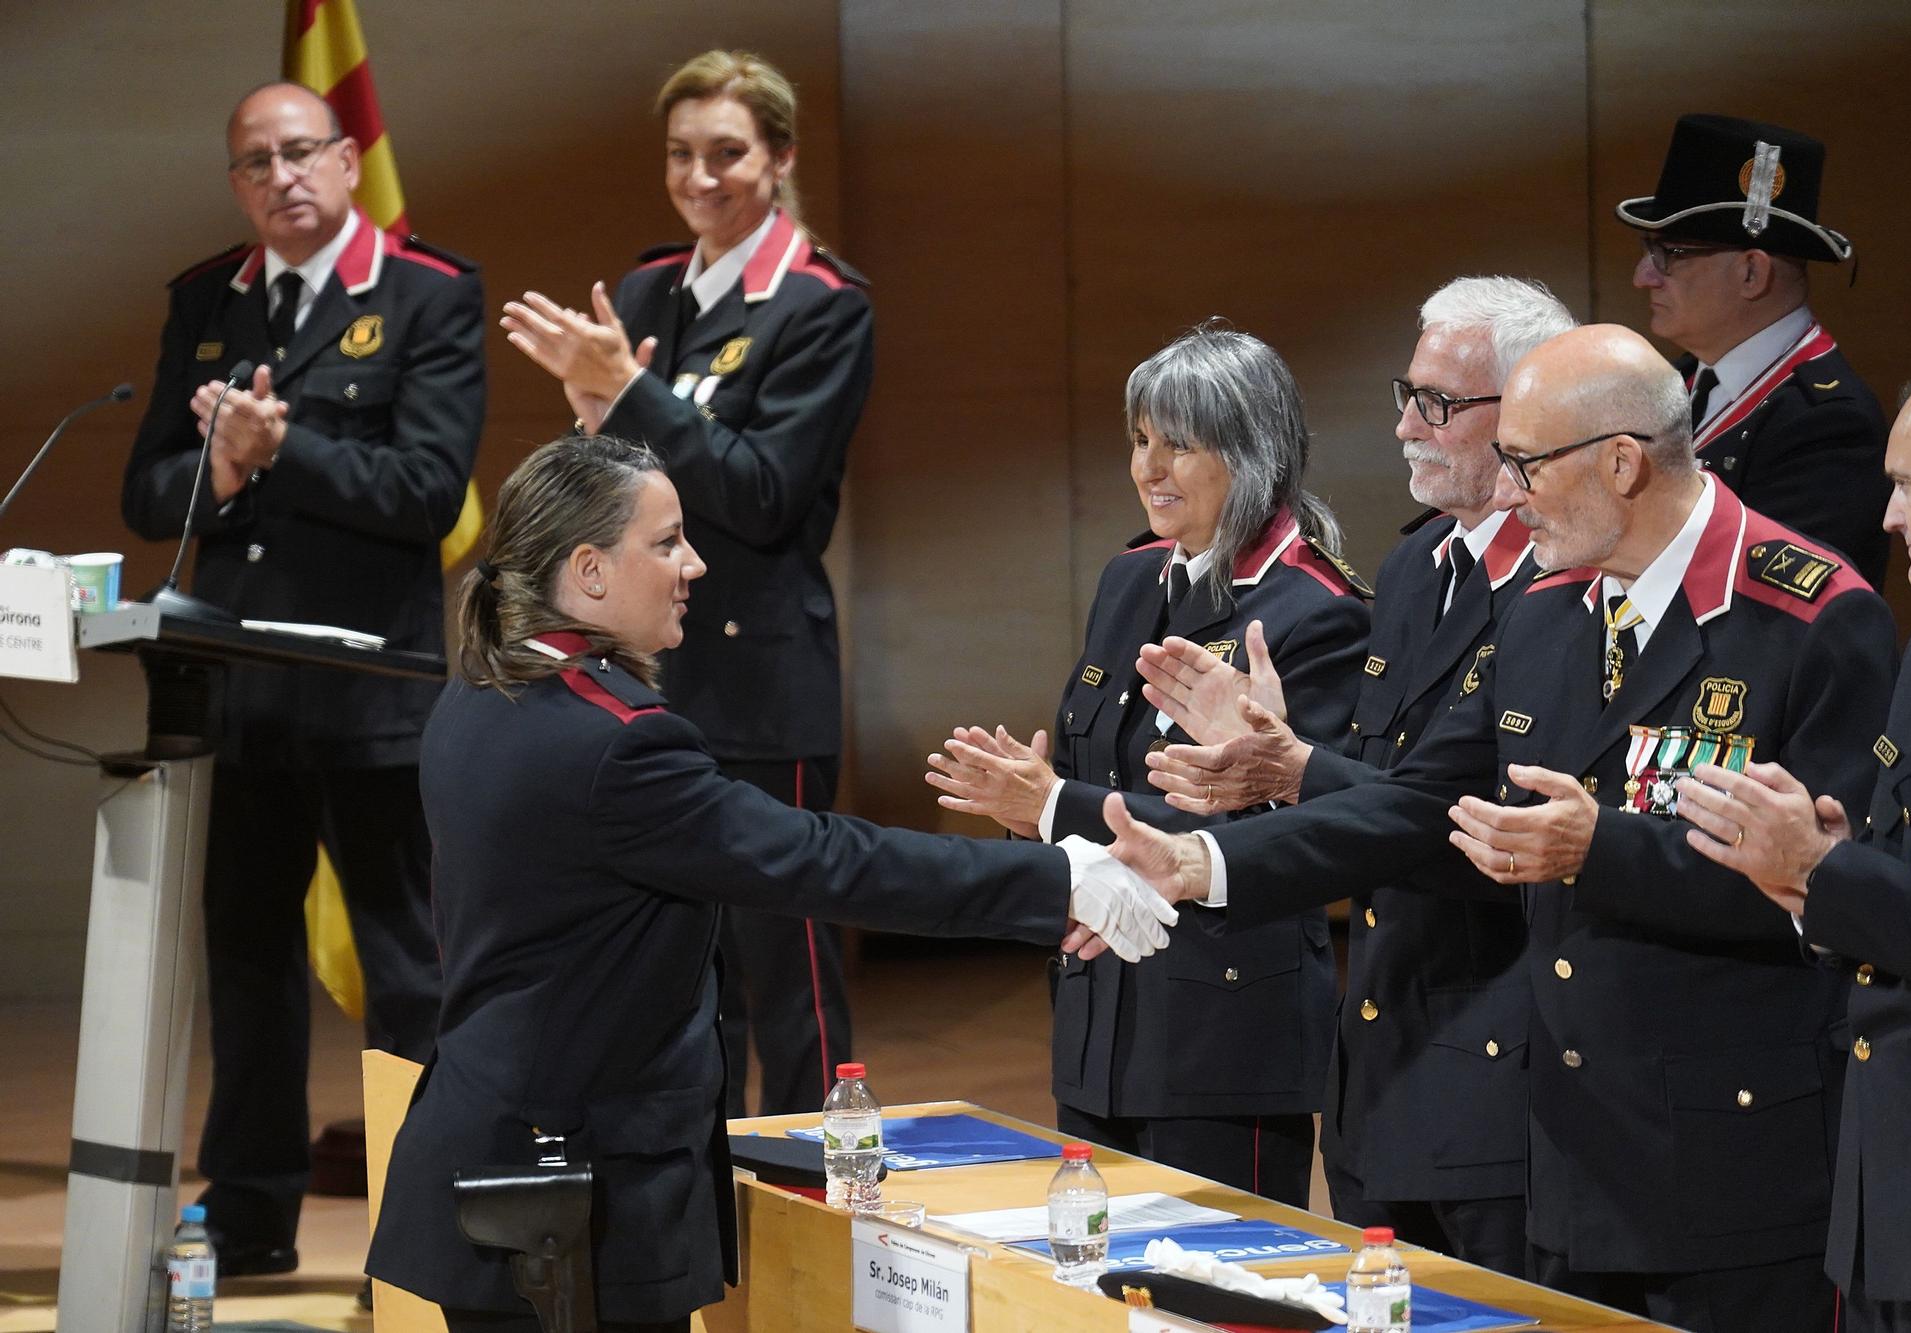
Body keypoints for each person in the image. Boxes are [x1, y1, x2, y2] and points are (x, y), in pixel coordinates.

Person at [1095, 325, 1899, 1333]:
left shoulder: (1808, 615)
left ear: (1619, 461)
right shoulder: (1543, 613)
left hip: (1735, 1161)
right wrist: (1203, 855)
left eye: (1524, 464)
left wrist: (1596, 847)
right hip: (1565, 1151)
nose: (1507, 494)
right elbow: (1424, 805)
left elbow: (1830, 897)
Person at [364, 434, 1175, 1333]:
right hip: (569, 1202)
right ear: (588, 570)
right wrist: (1057, 875)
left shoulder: (479, 692)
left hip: (492, 1162)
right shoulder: (614, 742)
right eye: (667, 542)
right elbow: (822, 857)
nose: (694, 564)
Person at [1136, 278, 1575, 1273]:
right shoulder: (1420, 566)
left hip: (1503, 1070)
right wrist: (1277, 757)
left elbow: (1453, 821)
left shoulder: (1559, 587)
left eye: (1435, 403)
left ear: (1529, 415)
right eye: (1404, 394)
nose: (1401, 427)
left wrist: (1283, 775)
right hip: (1384, 1062)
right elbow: (1372, 784)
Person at [120, 81, 484, 1276]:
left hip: (375, 695)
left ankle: (421, 1233)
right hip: (239, 696)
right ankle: (250, 1220)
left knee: (410, 980)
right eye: (255, 162)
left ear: (346, 160)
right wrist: (219, 473)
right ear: (237, 182)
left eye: (301, 153)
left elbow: (429, 492)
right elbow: (147, 494)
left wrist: (288, 451)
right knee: (247, 967)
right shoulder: (204, 300)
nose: (282, 177)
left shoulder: (429, 293)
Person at [499, 49, 869, 1118]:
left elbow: (760, 496)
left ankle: (817, 1195)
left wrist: (628, 391)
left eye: (727, 153)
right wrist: (592, 416)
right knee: (680, 965)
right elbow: (624, 487)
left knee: (787, 968)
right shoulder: (652, 285)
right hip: (646, 674)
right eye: (680, 154)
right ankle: (695, 1193)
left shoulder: (823, 304)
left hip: (760, 677)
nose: (700, 178)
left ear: (780, 158)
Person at [924, 324, 1369, 1206]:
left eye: (1180, 445)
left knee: (1211, 1287)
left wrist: (1055, 806)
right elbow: (1106, 772)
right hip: (1100, 1010)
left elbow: (1274, 834)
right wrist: (1027, 806)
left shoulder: (1317, 610)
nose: (1149, 468)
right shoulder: (1131, 577)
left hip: (1223, 1030)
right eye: (1139, 440)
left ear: (1252, 453)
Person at [1677, 341, 1911, 1328]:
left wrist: (1833, 875)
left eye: (1904, 483)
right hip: (1884, 1181)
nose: (1888, 514)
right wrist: (1810, 878)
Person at [1617, 113, 1890, 587]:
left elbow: (1769, 604)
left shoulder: (1831, 422)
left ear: (1751, 274)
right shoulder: (1673, 381)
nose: (1643, 275)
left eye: (1670, 253)